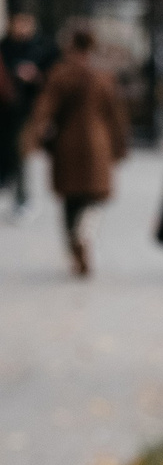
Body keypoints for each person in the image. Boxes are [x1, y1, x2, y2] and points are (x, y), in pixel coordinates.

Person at [21, 24, 128, 277]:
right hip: (98, 145)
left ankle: (73, 247)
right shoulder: (104, 75)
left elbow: (44, 109)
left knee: (70, 200)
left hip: (67, 144)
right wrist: (119, 146)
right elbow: (116, 116)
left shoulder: (61, 73)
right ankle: (86, 233)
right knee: (95, 197)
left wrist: (33, 137)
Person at [1, 10, 58, 219]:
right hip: (5, 110)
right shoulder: (5, 47)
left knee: (20, 153)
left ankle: (23, 198)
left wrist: (36, 76)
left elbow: (53, 79)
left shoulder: (41, 48)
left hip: (27, 111)